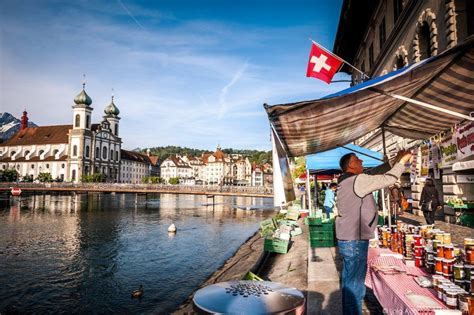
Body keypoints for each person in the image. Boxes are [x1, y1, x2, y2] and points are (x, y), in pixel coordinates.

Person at [336, 150, 412, 315]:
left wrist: (393, 162)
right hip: (355, 239)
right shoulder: (358, 180)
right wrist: (402, 162)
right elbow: (388, 179)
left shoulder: (346, 181)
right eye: (358, 159)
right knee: (355, 286)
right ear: (351, 165)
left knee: (349, 283)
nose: (362, 160)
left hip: (348, 239)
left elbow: (374, 173)